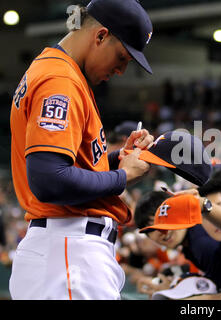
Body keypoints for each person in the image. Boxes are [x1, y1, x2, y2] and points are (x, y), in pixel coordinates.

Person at [9, 0, 155, 300]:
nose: (121, 70)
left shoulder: (57, 70)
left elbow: (65, 164)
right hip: (68, 251)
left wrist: (115, 159)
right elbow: (50, 180)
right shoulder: (61, 80)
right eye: (122, 57)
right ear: (100, 36)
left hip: (64, 252)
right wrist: (122, 177)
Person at [134, 191, 221, 296]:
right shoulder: (191, 241)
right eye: (152, 229)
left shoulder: (202, 243)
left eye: (163, 220)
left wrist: (173, 291)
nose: (162, 231)